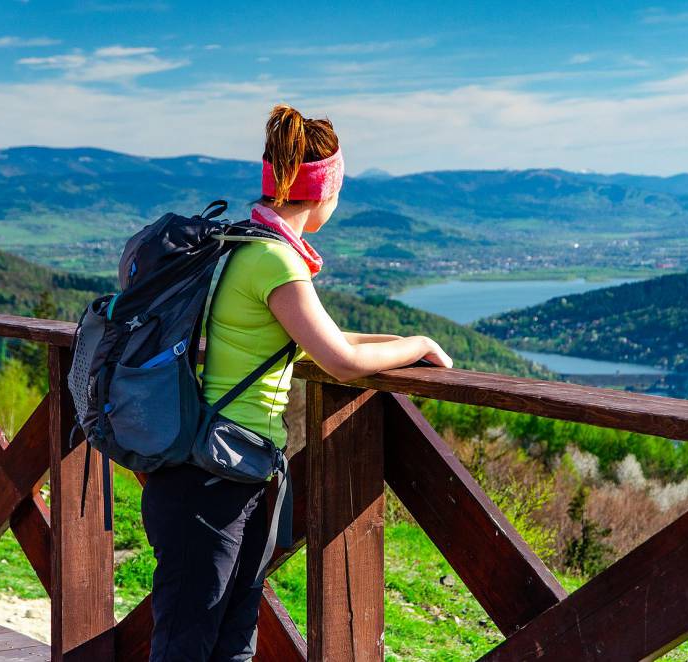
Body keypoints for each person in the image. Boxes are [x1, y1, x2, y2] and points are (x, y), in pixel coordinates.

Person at [140, 103, 454, 661]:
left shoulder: (245, 242)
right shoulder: (273, 260)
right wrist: (421, 346)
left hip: (220, 471)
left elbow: (325, 334)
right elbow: (339, 360)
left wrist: (394, 340)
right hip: (212, 480)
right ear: (323, 193)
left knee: (223, 641)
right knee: (194, 645)